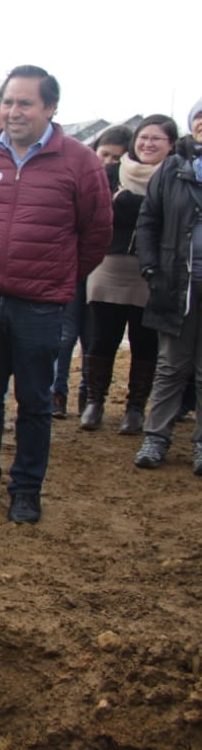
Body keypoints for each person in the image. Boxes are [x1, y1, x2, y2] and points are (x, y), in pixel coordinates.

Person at [0, 65, 112, 524]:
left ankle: (25, 490)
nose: (13, 112)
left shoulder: (80, 161)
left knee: (34, 402)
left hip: (40, 305)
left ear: (50, 107)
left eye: (25, 103)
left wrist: (58, 279)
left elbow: (97, 232)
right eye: (7, 102)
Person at [80, 116, 178, 434]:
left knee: (144, 341)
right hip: (108, 267)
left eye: (157, 139)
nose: (148, 144)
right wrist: (139, 207)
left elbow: (164, 217)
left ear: (171, 145)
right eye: (143, 137)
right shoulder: (110, 171)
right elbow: (99, 212)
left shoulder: (176, 177)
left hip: (151, 271)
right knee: (101, 338)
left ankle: (135, 409)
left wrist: (128, 203)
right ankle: (94, 402)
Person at [132, 97, 202, 473]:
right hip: (177, 283)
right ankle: (155, 438)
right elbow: (148, 222)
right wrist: (151, 269)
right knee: (171, 366)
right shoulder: (172, 170)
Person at [53, 124, 135, 418]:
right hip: (72, 265)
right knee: (65, 333)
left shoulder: (130, 187)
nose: (109, 163)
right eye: (105, 155)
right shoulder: (78, 177)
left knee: (93, 335)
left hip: (105, 269)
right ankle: (56, 392)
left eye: (117, 159)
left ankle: (88, 394)